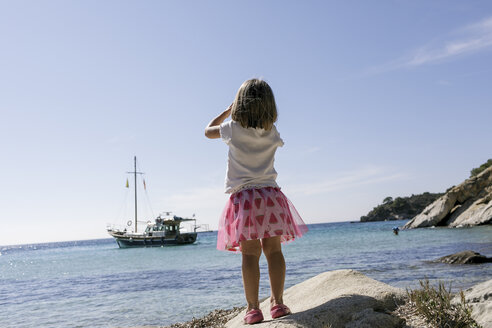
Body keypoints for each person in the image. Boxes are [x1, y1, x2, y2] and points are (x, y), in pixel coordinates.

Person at [205, 78, 308, 324]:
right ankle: (278, 303)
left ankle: (253, 309)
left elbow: (207, 130)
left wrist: (226, 111)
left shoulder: (231, 128)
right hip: (271, 197)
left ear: (239, 104)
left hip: (245, 200)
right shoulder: (271, 131)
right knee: (274, 251)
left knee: (250, 255)